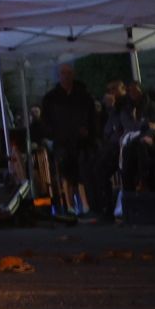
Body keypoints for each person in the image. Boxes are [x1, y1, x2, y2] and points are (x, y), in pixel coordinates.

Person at [40, 61, 97, 213]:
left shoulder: (83, 96)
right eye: (63, 74)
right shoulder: (51, 99)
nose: (66, 77)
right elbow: (45, 122)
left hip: (81, 142)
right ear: (59, 76)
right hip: (62, 142)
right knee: (66, 172)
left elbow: (92, 118)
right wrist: (55, 134)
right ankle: (70, 205)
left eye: (69, 73)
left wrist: (88, 131)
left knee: (82, 172)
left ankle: (85, 204)